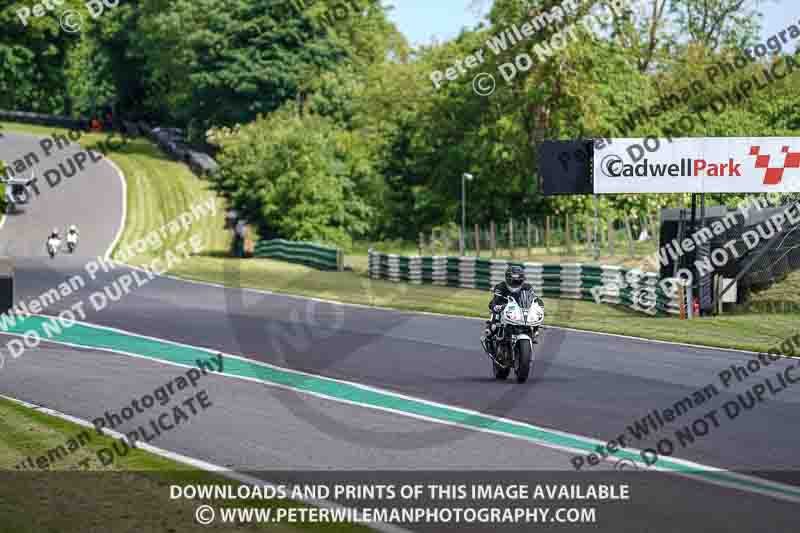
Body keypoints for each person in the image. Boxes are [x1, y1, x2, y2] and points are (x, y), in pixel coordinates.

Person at [481, 265, 543, 351]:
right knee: (493, 326)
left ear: (522, 279)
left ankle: (535, 331)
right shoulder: (500, 286)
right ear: (507, 279)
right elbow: (495, 300)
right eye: (513, 280)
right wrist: (496, 306)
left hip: (520, 311)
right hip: (503, 310)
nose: (515, 282)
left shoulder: (528, 287)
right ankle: (489, 338)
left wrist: (539, 307)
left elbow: (535, 299)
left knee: (534, 318)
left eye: (518, 280)